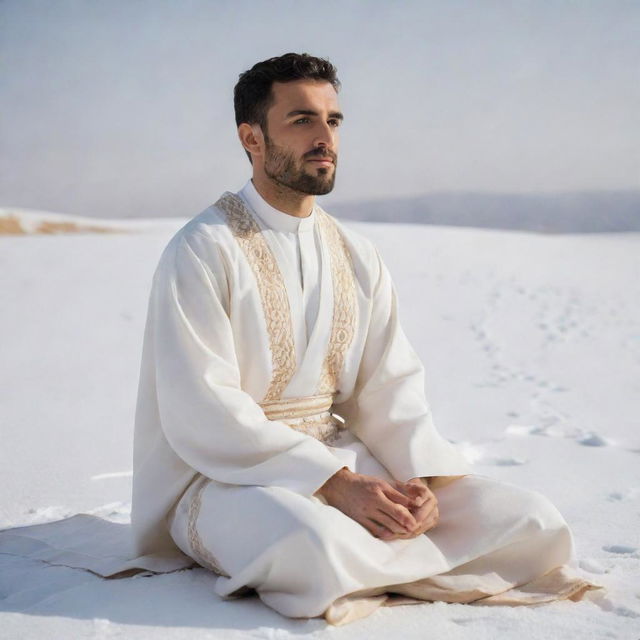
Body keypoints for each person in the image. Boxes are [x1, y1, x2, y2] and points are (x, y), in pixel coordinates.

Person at [130, 52, 597, 624]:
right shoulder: (202, 248)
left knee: (531, 519)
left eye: (334, 120)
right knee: (315, 546)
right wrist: (333, 484)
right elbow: (200, 406)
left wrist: (416, 477)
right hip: (228, 476)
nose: (325, 136)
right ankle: (381, 559)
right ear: (251, 138)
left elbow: (387, 385)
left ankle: (383, 554)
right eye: (302, 119)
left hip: (342, 457)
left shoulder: (356, 253)